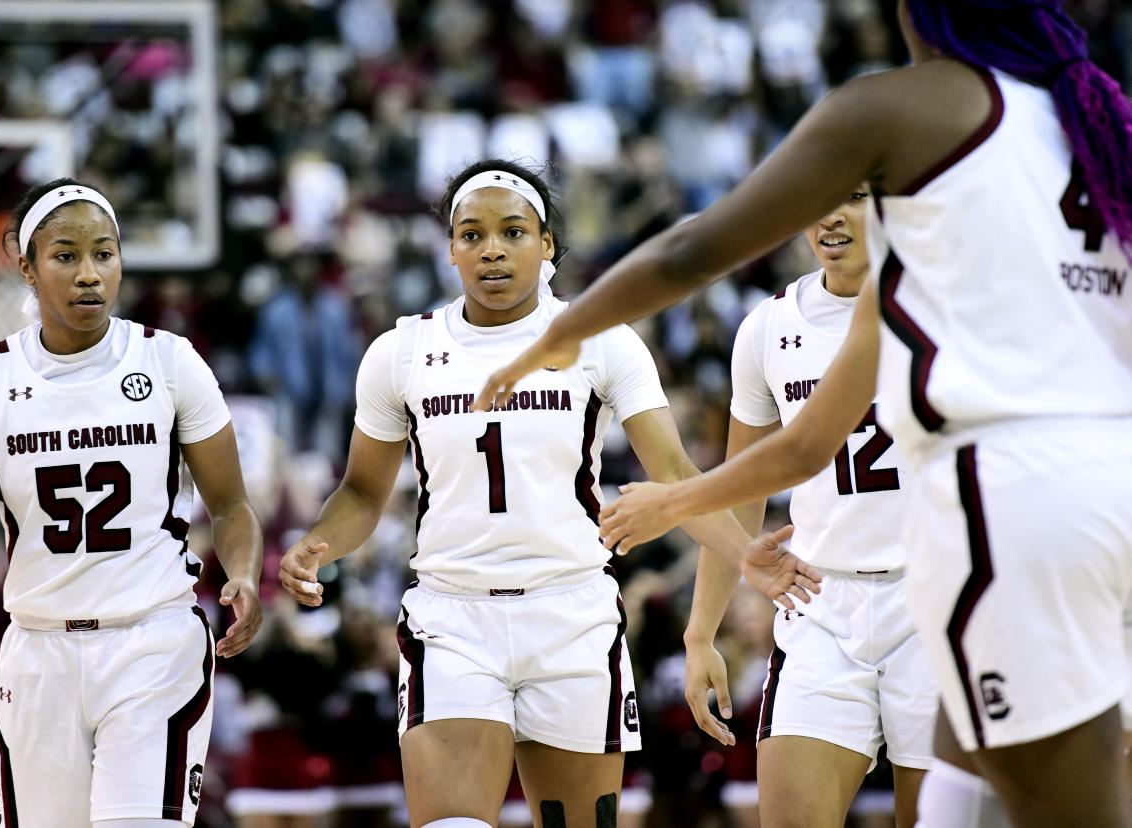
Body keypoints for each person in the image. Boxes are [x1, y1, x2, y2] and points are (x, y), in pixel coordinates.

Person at [476, 2, 1132, 826]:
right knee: (979, 805)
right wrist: (702, 612)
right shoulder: (1092, 122)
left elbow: (689, 250)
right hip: (1103, 497)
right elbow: (803, 448)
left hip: (1008, 506)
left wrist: (556, 334)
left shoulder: (911, 106)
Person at [278, 159, 820, 828]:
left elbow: (677, 477)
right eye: (471, 235)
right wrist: (316, 542)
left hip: (572, 616)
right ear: (450, 250)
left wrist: (745, 558)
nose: (492, 249)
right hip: (453, 618)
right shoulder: (402, 350)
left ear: (548, 244)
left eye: (512, 231)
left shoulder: (603, 341)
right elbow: (361, 490)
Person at [0, 177, 265, 828]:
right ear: (26, 267)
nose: (89, 273)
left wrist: (243, 574)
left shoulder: (171, 362)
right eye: (66, 255)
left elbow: (231, 507)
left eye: (104, 253)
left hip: (152, 641)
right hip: (39, 655)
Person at [683, 186, 933, 828]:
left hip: (937, 601)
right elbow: (742, 494)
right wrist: (701, 632)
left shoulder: (944, 303)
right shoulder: (768, 326)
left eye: (852, 196)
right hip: (822, 605)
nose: (830, 215)